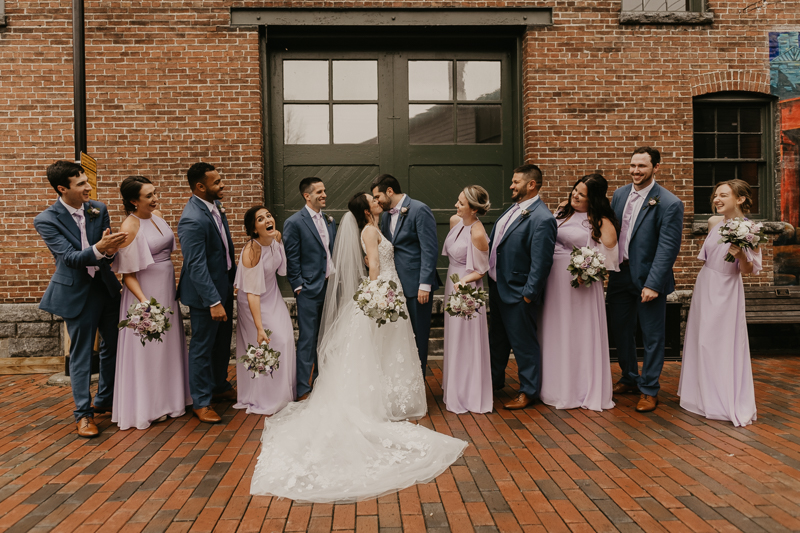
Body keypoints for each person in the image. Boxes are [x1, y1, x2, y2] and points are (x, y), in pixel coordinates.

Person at [249, 192, 467, 503]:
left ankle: (390, 396)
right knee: (385, 348)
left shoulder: (376, 226)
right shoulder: (368, 230)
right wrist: (380, 295)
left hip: (388, 291)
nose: (378, 200)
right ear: (366, 209)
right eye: (372, 199)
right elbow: (374, 266)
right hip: (384, 292)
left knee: (388, 350)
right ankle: (386, 399)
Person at [34, 161, 127, 437]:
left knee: (114, 345)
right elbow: (70, 259)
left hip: (106, 289)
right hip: (76, 292)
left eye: (87, 182)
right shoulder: (46, 220)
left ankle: (105, 400)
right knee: (83, 354)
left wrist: (109, 251)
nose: (88, 188)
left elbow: (110, 254)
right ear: (62, 189)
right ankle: (83, 415)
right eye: (81, 184)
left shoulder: (99, 209)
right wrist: (100, 248)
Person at [607, 146, 684, 413]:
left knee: (652, 336)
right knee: (620, 331)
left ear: (655, 168)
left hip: (649, 278)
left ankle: (649, 389)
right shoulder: (618, 195)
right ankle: (629, 377)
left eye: (642, 166)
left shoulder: (669, 202)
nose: (636, 171)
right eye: (632, 165)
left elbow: (668, 248)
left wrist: (653, 283)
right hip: (620, 274)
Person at [111, 176, 191, 430]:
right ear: (134, 201)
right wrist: (145, 303)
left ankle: (170, 400)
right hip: (145, 295)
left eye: (155, 193)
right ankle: (149, 407)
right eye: (149, 196)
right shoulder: (130, 226)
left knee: (167, 347)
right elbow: (127, 275)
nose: (155, 199)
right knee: (148, 350)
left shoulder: (157, 216)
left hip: (166, 290)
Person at [678, 180, 759, 426]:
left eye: (723, 195)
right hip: (706, 283)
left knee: (720, 342)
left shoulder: (750, 229)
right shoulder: (714, 223)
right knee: (701, 340)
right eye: (715, 195)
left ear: (740, 199)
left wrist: (741, 254)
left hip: (726, 287)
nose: (717, 199)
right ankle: (699, 395)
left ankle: (721, 398)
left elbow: (747, 270)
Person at [540, 174, 619, 411]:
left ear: (593, 199)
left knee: (577, 333)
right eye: (575, 189)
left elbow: (610, 258)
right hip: (554, 281)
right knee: (555, 329)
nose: (575, 195)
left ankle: (579, 389)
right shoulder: (562, 212)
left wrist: (587, 269)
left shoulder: (601, 221)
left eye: (582, 194)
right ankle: (554, 386)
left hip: (580, 286)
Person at [488, 164, 557, 410]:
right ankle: (493, 383)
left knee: (523, 345)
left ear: (531, 185)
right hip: (497, 288)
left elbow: (541, 262)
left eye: (516, 182)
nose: (511, 186)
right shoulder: (513, 210)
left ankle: (528, 391)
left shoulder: (543, 218)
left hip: (518, 293)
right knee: (496, 341)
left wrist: (528, 294)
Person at [177, 162, 237, 424]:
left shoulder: (213, 207)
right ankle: (201, 401)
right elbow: (195, 265)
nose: (222, 185)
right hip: (205, 296)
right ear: (200, 187)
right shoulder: (191, 218)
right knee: (202, 346)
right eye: (217, 182)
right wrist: (213, 300)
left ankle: (219, 385)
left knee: (222, 342)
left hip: (223, 286)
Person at [371, 174, 440, 374]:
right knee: (400, 338)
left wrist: (424, 284)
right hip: (395, 285)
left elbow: (429, 249)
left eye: (378, 197)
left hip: (416, 286)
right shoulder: (386, 216)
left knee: (418, 336)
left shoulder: (419, 210)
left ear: (389, 191)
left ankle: (419, 384)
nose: (376, 201)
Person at [233, 206, 296, 414]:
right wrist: (259, 327)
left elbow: (280, 269)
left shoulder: (276, 238)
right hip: (254, 301)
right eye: (260, 219)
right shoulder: (252, 251)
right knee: (268, 342)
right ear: (253, 229)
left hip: (272, 295)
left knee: (286, 339)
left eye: (268, 216)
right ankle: (264, 397)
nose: (268, 220)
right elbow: (252, 293)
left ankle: (284, 394)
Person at [283, 177, 337, 400]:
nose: (324, 195)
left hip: (329, 287)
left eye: (324, 190)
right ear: (307, 196)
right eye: (319, 192)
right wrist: (298, 286)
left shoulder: (330, 220)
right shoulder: (295, 222)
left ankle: (322, 382)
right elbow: (291, 257)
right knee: (307, 338)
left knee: (328, 336)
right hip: (308, 290)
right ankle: (304, 389)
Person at [441, 186, 492, 414]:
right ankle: (454, 388)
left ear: (473, 208)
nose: (456, 206)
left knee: (466, 341)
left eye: (461, 203)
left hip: (467, 290)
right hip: (452, 284)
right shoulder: (455, 222)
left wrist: (463, 282)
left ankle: (468, 393)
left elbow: (482, 270)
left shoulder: (478, 233)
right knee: (454, 338)